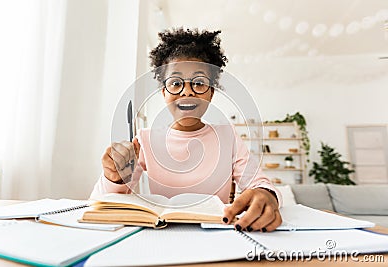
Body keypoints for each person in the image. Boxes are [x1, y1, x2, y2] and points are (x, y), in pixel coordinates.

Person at [91, 28, 282, 232]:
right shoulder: (145, 140)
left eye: (199, 83)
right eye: (175, 83)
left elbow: (260, 183)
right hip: (161, 236)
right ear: (164, 92)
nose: (187, 91)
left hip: (217, 234)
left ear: (211, 93)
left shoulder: (228, 137)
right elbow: (99, 204)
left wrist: (266, 194)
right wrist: (116, 178)